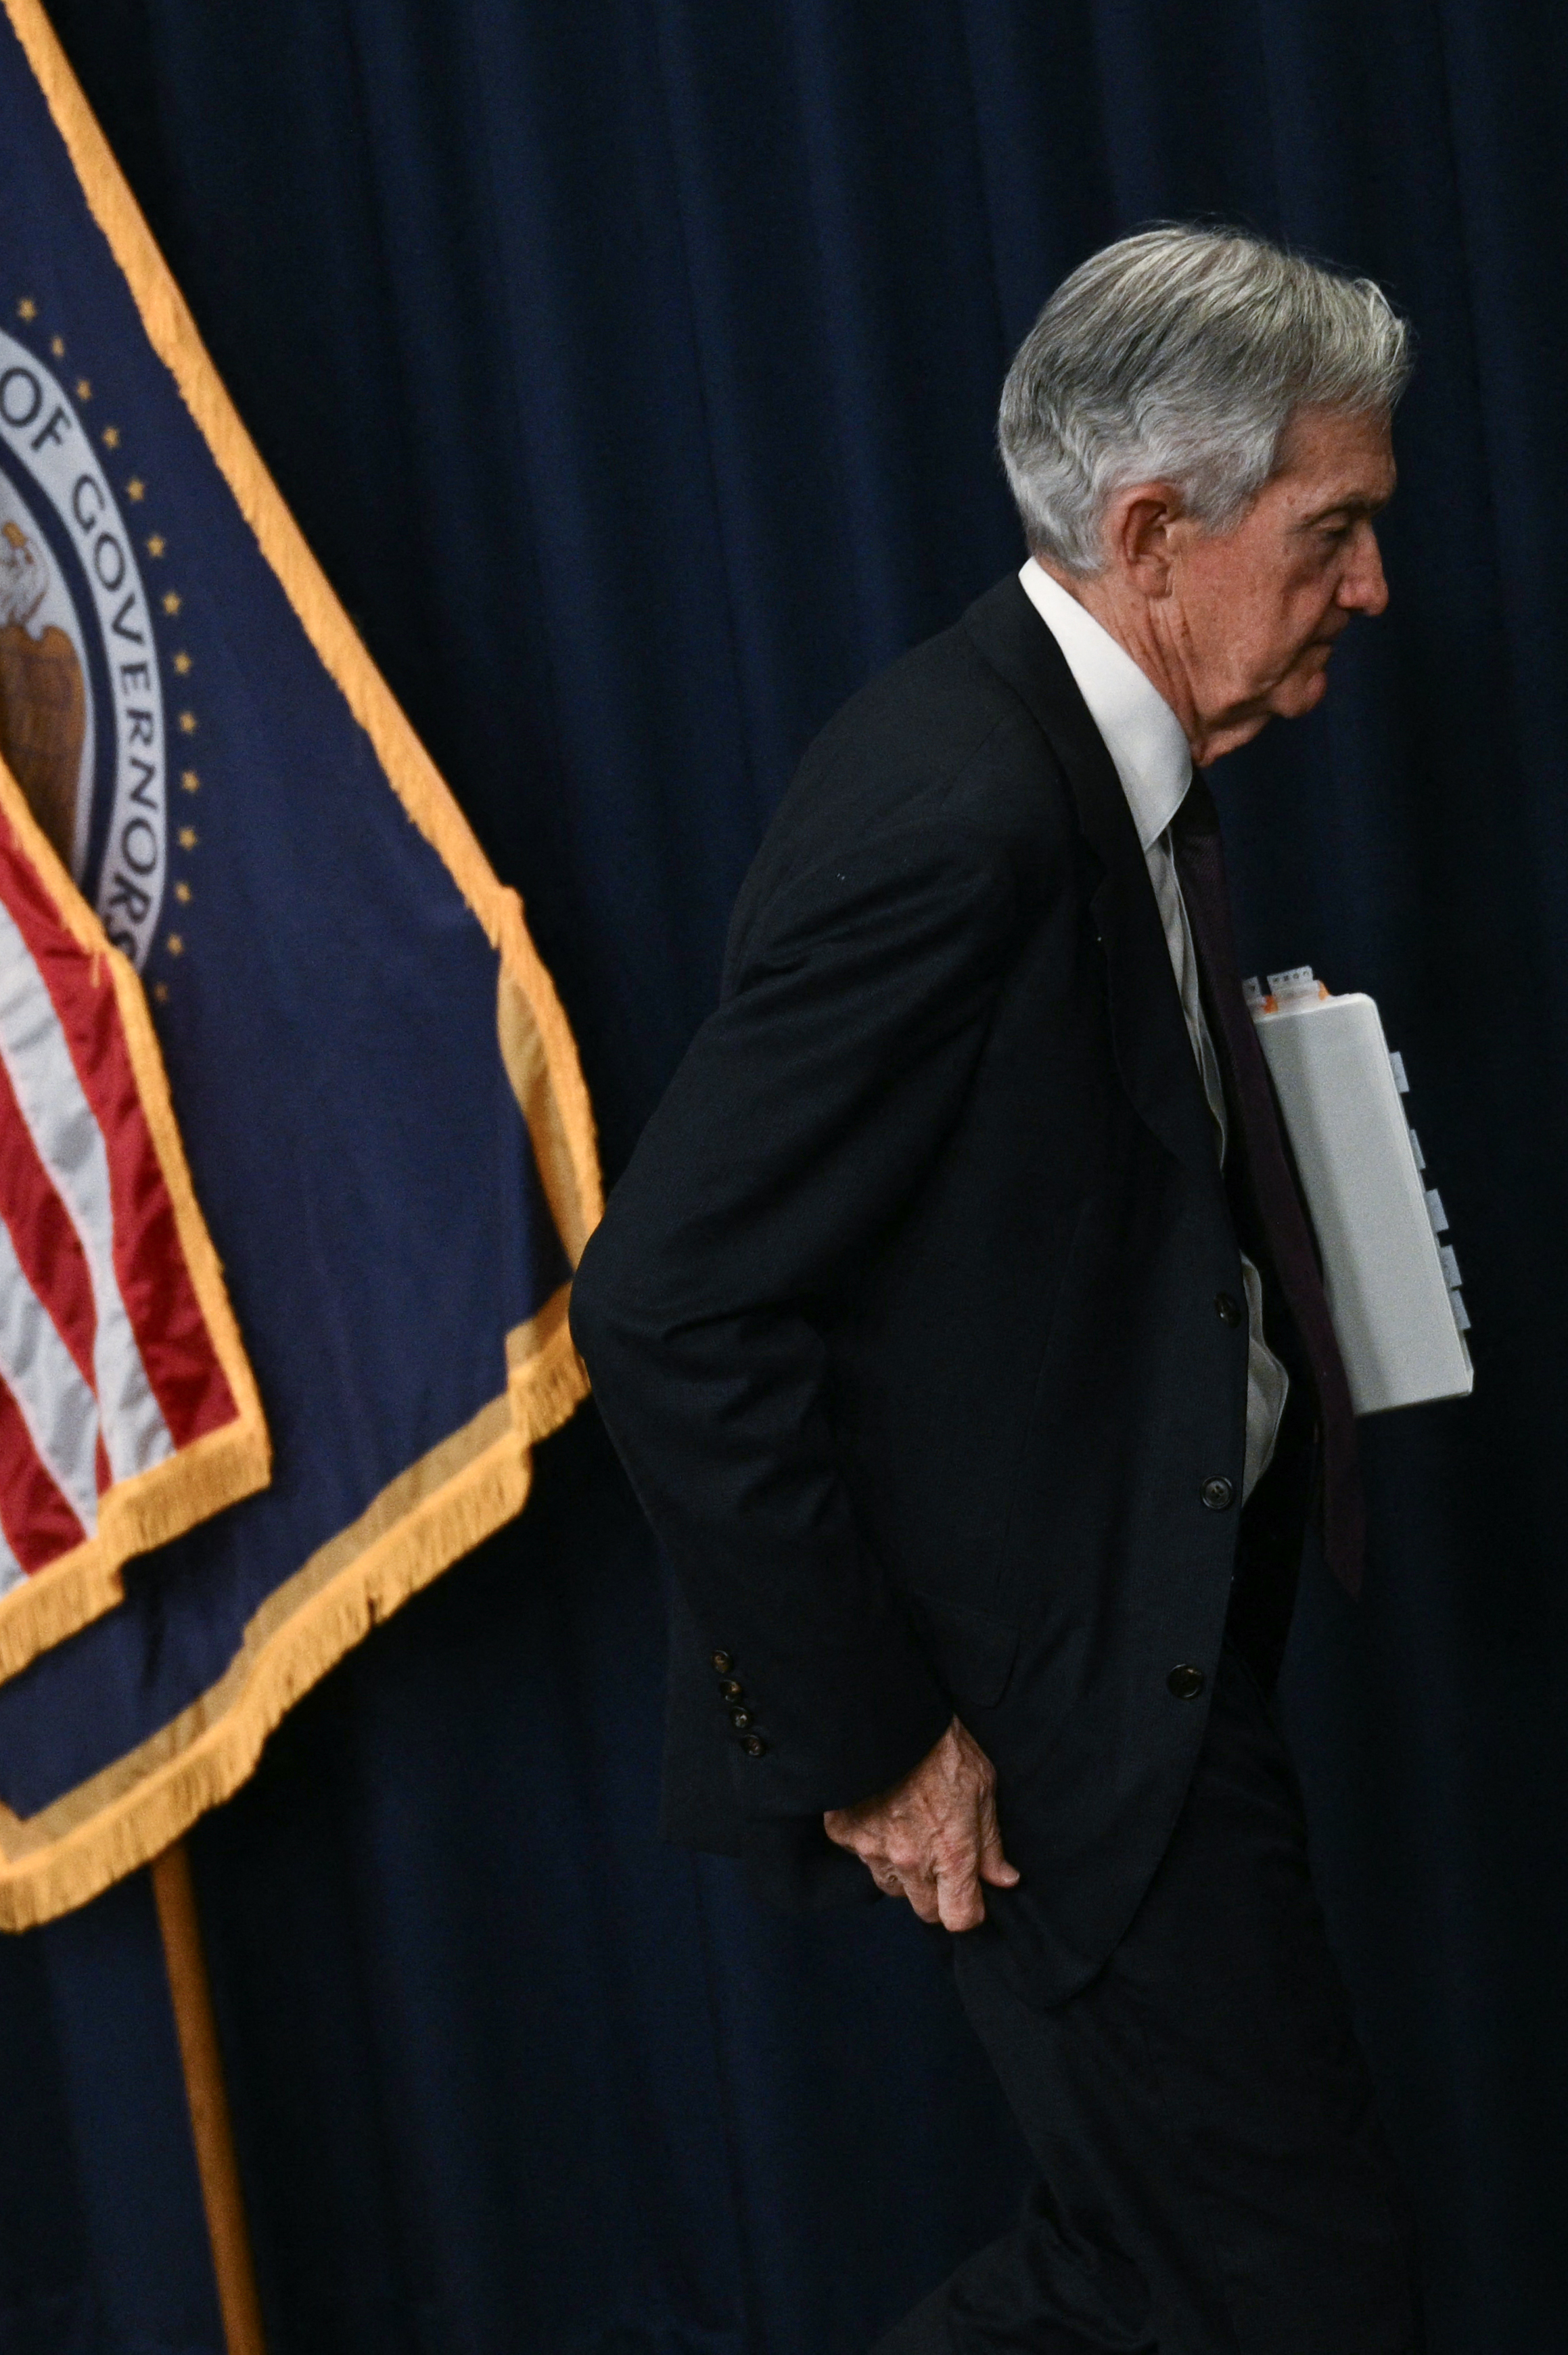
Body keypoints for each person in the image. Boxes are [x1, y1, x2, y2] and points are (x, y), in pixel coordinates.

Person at [571, 223, 1425, 2353]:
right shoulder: (961, 808)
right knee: (1274, 2290)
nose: (1374, 590)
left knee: (1204, 2283)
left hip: (1139, 1656)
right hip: (1047, 1729)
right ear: (1154, 534)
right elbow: (669, 1301)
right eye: (1333, 533)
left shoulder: (1085, 757)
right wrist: (875, 1745)